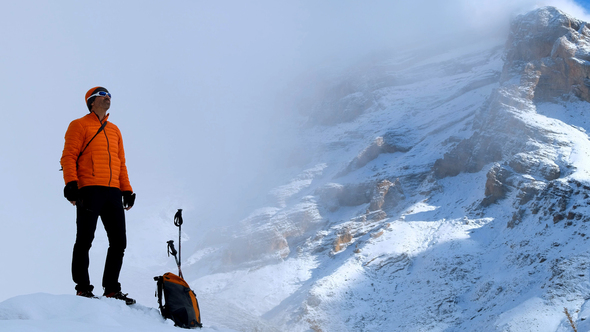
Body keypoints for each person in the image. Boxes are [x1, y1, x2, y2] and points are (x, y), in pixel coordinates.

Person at [60, 86, 137, 305]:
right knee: (85, 239)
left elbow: (121, 163)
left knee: (119, 242)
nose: (108, 99)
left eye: (110, 96)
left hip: (113, 191)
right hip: (89, 189)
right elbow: (69, 156)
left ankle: (111, 289)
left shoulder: (115, 130)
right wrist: (71, 184)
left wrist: (127, 190)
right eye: (103, 96)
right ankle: (83, 288)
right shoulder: (79, 125)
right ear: (92, 101)